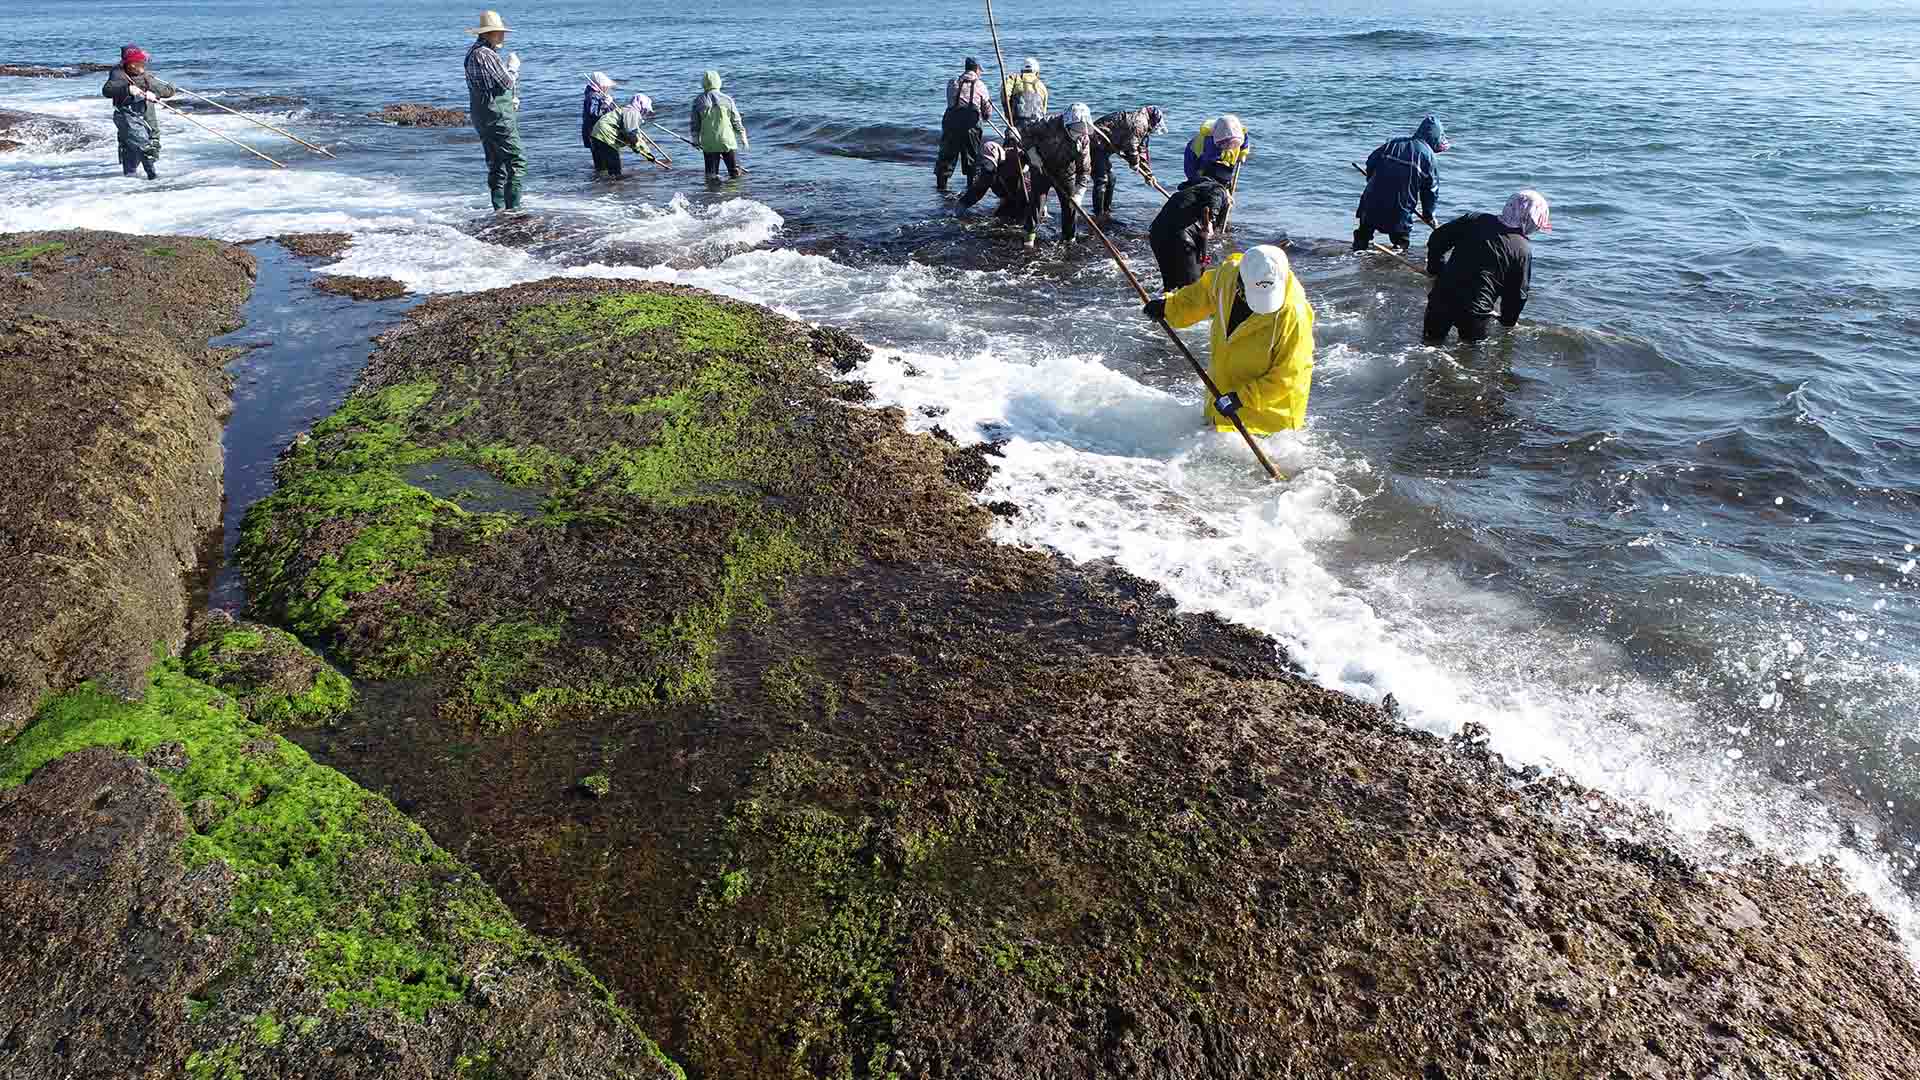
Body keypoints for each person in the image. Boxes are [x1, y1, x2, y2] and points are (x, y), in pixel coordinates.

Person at [1141, 244, 1315, 434]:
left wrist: (1242, 399)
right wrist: (1169, 307)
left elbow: (1290, 374)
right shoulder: (1227, 276)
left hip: (1269, 422)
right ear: (1240, 279)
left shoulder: (1294, 314)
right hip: (1222, 401)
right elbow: (1200, 296)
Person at [1423, 190, 1549, 344]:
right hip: (1475, 312)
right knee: (1469, 359)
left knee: (1430, 345)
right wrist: (1507, 322)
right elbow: (1517, 295)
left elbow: (1437, 239)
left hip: (1441, 299)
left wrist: (1436, 270)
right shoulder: (1522, 249)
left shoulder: (1475, 219)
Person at [1353, 114, 1448, 252]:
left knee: (1363, 235)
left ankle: (1357, 253)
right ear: (1435, 139)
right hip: (1399, 211)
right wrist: (1429, 215)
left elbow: (1371, 162)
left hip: (1370, 203)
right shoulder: (1428, 157)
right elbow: (1430, 191)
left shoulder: (1393, 143)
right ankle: (1396, 263)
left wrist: (1371, 179)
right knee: (1400, 244)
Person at [464, 10, 525, 211]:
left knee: (496, 163)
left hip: (482, 117)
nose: (503, 36)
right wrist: (513, 67)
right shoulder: (487, 54)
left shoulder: (473, 52)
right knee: (516, 160)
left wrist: (511, 100)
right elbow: (506, 82)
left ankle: (499, 211)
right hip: (498, 117)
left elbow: (490, 87)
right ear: (488, 33)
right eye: (499, 32)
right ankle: (513, 212)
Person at [1014, 103, 1093, 248]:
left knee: (1070, 206)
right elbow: (1025, 133)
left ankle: (1069, 239)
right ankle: (1028, 239)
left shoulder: (1084, 139)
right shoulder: (1048, 123)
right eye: (1076, 130)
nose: (1080, 133)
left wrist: (1079, 193)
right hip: (1041, 166)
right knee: (1037, 203)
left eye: (1082, 129)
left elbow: (1084, 170)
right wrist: (1031, 152)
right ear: (1067, 124)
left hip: (1066, 171)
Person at [102, 45, 175, 179]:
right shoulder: (118, 74)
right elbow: (107, 90)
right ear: (131, 64)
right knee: (144, 146)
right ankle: (153, 178)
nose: (144, 64)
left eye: (144, 61)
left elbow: (167, 91)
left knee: (148, 143)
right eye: (141, 62)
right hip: (126, 115)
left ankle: (131, 178)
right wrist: (128, 89)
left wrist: (159, 93)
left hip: (147, 113)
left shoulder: (145, 75)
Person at [1148, 177, 1231, 290]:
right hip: (1178, 235)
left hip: (1156, 233)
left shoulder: (1193, 190)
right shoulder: (1219, 190)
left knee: (1170, 285)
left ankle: (1165, 305)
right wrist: (1211, 220)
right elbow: (1215, 197)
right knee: (1192, 288)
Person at [1090, 105, 1164, 220]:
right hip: (1095, 144)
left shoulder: (1143, 126)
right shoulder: (1139, 123)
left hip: (1104, 148)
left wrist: (1149, 175)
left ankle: (1106, 210)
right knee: (1102, 179)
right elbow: (1132, 147)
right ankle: (1098, 214)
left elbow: (1142, 151)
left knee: (1111, 179)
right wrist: (1134, 163)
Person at [936, 57, 994, 193]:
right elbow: (987, 111)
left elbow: (950, 101)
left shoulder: (953, 82)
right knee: (972, 159)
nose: (980, 73)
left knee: (946, 157)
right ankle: (971, 189)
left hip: (951, 123)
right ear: (976, 69)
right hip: (970, 126)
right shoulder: (981, 86)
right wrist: (985, 116)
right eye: (980, 70)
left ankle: (941, 188)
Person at [692, 69, 749, 179]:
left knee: (711, 175)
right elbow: (736, 121)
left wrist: (695, 140)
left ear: (703, 83)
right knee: (734, 172)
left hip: (708, 143)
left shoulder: (698, 101)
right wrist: (743, 136)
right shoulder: (727, 99)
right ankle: (734, 193)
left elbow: (695, 124)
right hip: (727, 141)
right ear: (718, 82)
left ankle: (713, 194)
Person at [958, 141, 1030, 223]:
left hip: (1024, 200)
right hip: (1009, 198)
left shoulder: (1019, 160)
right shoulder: (990, 170)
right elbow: (979, 189)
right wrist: (962, 205)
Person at [589, 94, 658, 178]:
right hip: (606, 137)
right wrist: (639, 149)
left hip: (595, 134)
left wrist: (647, 153)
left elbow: (636, 136)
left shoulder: (624, 110)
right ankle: (615, 189)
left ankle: (599, 188)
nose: (645, 113)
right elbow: (629, 134)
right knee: (615, 171)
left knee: (601, 169)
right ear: (642, 106)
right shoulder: (633, 112)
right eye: (646, 110)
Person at [1182, 114, 1247, 187]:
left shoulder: (1238, 131)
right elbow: (1207, 164)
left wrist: (1243, 154)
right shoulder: (1210, 143)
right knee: (1198, 180)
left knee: (1225, 177)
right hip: (1196, 160)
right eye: (1227, 145)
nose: (1230, 147)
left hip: (1222, 157)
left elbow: (1245, 142)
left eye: (1233, 145)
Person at [582, 72, 620, 177]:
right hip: (595, 132)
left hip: (594, 132)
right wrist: (606, 103)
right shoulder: (593, 96)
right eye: (605, 85)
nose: (607, 88)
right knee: (602, 163)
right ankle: (603, 184)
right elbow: (594, 114)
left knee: (600, 163)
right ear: (599, 84)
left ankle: (600, 185)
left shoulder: (595, 94)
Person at [1004, 58, 1049, 126]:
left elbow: (1005, 96)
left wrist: (1008, 115)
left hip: (1017, 124)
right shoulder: (1042, 86)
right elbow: (1044, 111)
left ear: (1022, 70)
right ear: (1037, 72)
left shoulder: (1014, 79)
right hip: (1038, 127)